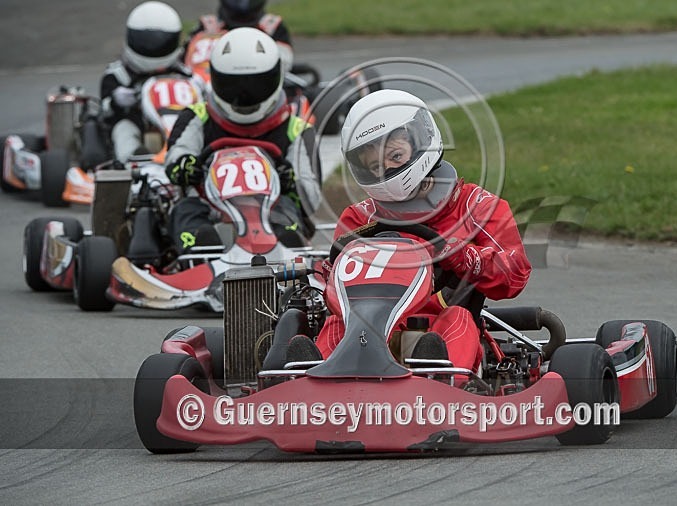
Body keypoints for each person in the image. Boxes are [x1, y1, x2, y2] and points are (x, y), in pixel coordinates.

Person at [284, 89, 532, 373]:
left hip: (438, 325)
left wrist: (463, 256)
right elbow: (335, 283)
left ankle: (438, 382)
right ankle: (309, 384)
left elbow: (514, 275)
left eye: (396, 155)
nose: (387, 169)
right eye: (375, 166)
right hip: (366, 332)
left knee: (458, 319)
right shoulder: (360, 218)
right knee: (337, 322)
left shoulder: (476, 206)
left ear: (422, 141)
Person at [165, 27, 321, 252]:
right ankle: (199, 252)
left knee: (289, 212)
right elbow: (176, 156)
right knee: (185, 210)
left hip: (271, 210)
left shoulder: (296, 128)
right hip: (209, 209)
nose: (244, 95)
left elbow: (310, 197)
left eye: (256, 85)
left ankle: (286, 250)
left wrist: (291, 181)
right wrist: (186, 166)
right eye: (234, 86)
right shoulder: (198, 115)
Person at [101, 1, 191, 162]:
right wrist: (116, 100)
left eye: (159, 41)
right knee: (123, 128)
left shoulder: (184, 73)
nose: (152, 46)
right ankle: (132, 160)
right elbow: (104, 110)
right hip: (139, 124)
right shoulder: (118, 74)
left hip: (181, 125)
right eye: (146, 41)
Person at [186, 0, 294, 72]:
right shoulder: (206, 26)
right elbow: (183, 65)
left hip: (259, 89)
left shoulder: (273, 26)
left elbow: (285, 65)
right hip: (208, 90)